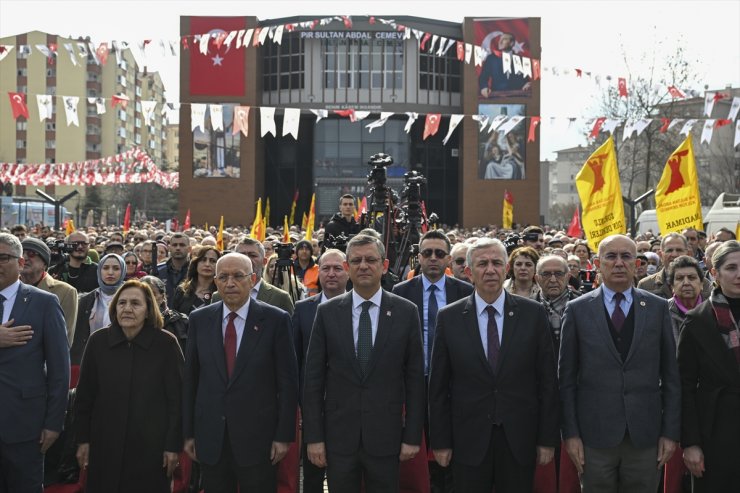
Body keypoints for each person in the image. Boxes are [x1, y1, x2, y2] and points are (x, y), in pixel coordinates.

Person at [428, 237, 559, 493]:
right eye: (482, 264)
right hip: (468, 440)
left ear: (506, 268)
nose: (490, 269)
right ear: (468, 272)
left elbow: (547, 381)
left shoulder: (532, 314)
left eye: (497, 263)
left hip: (519, 439)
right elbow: (438, 386)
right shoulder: (449, 317)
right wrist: (440, 442)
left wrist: (547, 439)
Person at [302, 234, 425, 492]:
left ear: (385, 264)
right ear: (347, 267)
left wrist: (412, 436)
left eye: (371, 259)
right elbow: (313, 380)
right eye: (356, 260)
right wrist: (314, 438)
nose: (363, 266)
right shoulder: (327, 312)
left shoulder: (406, 312)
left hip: (387, 436)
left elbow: (415, 380)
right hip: (339, 437)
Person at [559, 234, 681, 492]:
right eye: (610, 256)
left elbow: (671, 376)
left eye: (626, 256)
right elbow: (566, 380)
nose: (618, 263)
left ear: (637, 264)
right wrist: (570, 434)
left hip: (645, 436)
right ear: (596, 263)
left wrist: (670, 433)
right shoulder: (578, 310)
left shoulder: (657, 308)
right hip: (594, 437)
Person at [183, 253, 298, 492]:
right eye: (223, 277)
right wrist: (189, 433)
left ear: (253, 279)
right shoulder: (199, 319)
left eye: (238, 276)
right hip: (211, 436)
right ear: (215, 281)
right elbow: (191, 380)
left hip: (259, 439)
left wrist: (283, 435)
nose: (230, 283)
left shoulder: (276, 320)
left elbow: (287, 383)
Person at [73, 280, 183, 493]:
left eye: (135, 303)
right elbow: (85, 396)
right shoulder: (98, 342)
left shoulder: (166, 344)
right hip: (105, 444)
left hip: (151, 447)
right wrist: (82, 440)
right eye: (121, 303)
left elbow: (177, 401)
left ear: (148, 309)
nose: (127, 309)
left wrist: (172, 446)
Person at [392, 229, 474, 492]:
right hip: (415, 383)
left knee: (450, 452)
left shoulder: (465, 291)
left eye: (439, 253)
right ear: (418, 258)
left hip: (453, 386)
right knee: (417, 455)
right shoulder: (401, 291)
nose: (433, 258)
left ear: (449, 259)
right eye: (427, 253)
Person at [0, 233, 69, 491]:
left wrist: (53, 423)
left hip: (25, 427)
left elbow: (60, 370)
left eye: (3, 258)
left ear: (20, 263)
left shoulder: (44, 303)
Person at [678, 240, 740, 491]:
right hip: (715, 433)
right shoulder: (697, 321)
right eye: (732, 268)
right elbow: (685, 385)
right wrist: (690, 443)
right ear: (714, 273)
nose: (739, 275)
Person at [292, 249, 349, 493]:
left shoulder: (361, 309)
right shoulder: (303, 309)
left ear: (347, 271)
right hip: (312, 409)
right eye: (326, 268)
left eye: (337, 268)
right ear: (318, 273)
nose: (331, 274)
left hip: (348, 408)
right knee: (313, 478)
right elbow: (295, 362)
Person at [70, 253, 126, 365]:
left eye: (116, 268)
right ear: (99, 270)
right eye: (105, 268)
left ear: (123, 271)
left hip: (124, 358)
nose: (110, 272)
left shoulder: (133, 297)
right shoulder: (85, 300)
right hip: (92, 360)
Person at [20, 237, 78, 345]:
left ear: (45, 263)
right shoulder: (6, 287)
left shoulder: (66, 292)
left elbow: (65, 339)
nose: (24, 257)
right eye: (21, 253)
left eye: (31, 253)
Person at [638, 232, 713, 300]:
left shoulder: (705, 284)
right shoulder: (646, 285)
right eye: (669, 250)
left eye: (679, 250)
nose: (674, 254)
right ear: (661, 254)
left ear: (687, 253)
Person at [233, 238, 294, 315]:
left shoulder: (280, 298)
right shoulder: (218, 296)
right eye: (242, 255)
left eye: (253, 255)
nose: (247, 259)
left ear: (264, 262)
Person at [535, 254, 580, 351]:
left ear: (568, 277)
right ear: (537, 279)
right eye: (546, 274)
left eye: (559, 274)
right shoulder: (527, 309)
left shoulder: (584, 305)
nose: (553, 280)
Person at [141, 275, 189, 352]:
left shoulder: (181, 322)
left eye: (153, 294)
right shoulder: (130, 322)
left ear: (162, 297)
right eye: (143, 294)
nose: (148, 298)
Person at [666, 255, 705, 345]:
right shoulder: (662, 312)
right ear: (672, 286)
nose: (686, 283)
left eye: (692, 278)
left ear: (702, 284)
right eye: (680, 278)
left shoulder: (713, 310)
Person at [478, 32, 531, 97]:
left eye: (504, 39)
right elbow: (483, 77)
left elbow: (526, 80)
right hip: (496, 97)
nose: (500, 41)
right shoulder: (491, 59)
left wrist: (527, 84)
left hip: (517, 97)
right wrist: (484, 87)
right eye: (500, 39)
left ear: (512, 43)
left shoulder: (521, 60)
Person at [172, 246, 220, 315]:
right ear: (196, 263)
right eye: (203, 260)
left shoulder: (221, 293)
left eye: (212, 261)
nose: (207, 264)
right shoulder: (182, 290)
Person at [157, 232, 191, 308]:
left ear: (189, 249)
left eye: (182, 245)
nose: (178, 248)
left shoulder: (196, 271)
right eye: (174, 245)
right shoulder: (158, 271)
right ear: (169, 248)